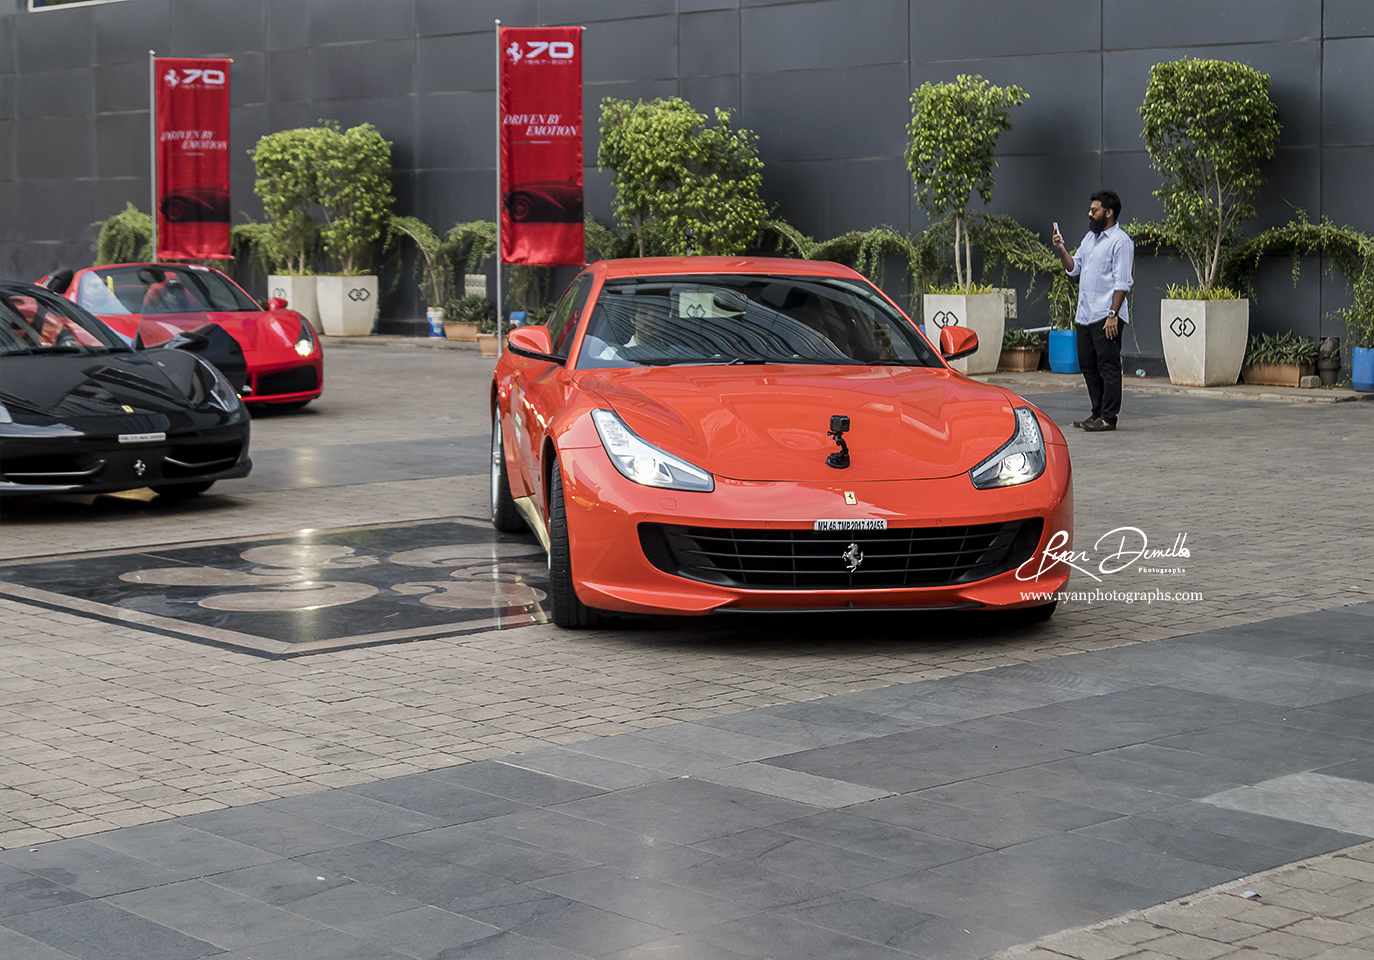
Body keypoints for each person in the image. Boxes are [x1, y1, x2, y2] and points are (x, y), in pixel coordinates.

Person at [1052, 190, 1134, 432]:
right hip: (1085, 315)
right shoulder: (1090, 238)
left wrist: (1113, 315)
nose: (1090, 213)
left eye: (1094, 210)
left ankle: (1109, 418)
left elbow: (1123, 282)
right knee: (1088, 365)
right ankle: (1096, 413)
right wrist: (1061, 249)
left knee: (1108, 366)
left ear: (1108, 213)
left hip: (1106, 315)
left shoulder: (1120, 242)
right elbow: (1074, 267)